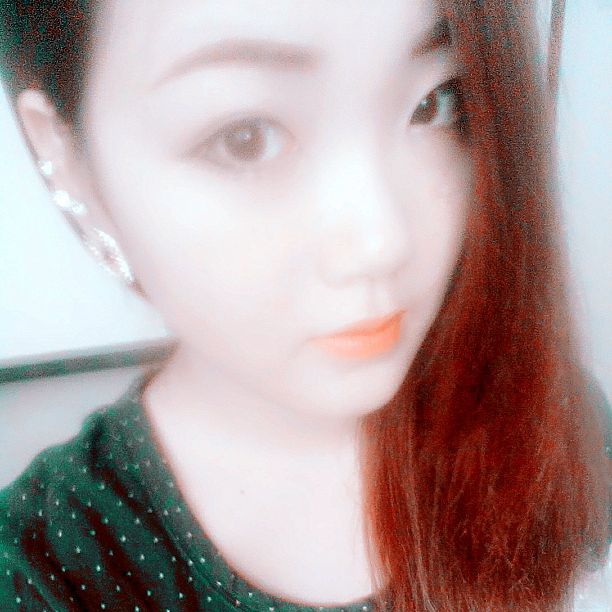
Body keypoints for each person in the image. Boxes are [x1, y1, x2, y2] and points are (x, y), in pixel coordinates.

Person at [0, 1, 609, 610]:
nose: (382, 242)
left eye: (435, 103)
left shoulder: (552, 414)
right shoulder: (45, 572)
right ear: (67, 159)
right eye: (245, 138)